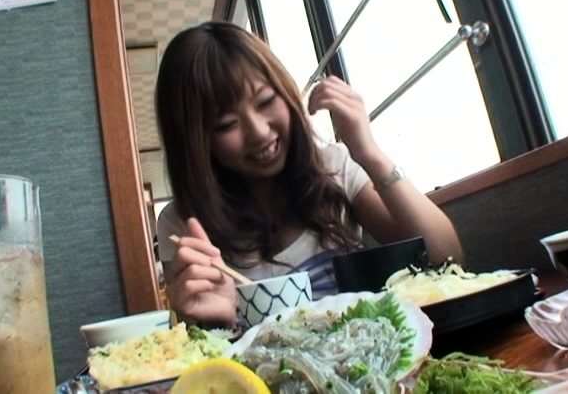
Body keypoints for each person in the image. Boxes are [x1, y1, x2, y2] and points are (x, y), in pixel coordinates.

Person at [154, 21, 463, 328]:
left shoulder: (332, 167)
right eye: (227, 124)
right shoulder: (183, 225)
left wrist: (369, 153)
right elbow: (202, 344)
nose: (259, 132)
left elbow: (446, 259)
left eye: (266, 101)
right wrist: (214, 322)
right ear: (195, 141)